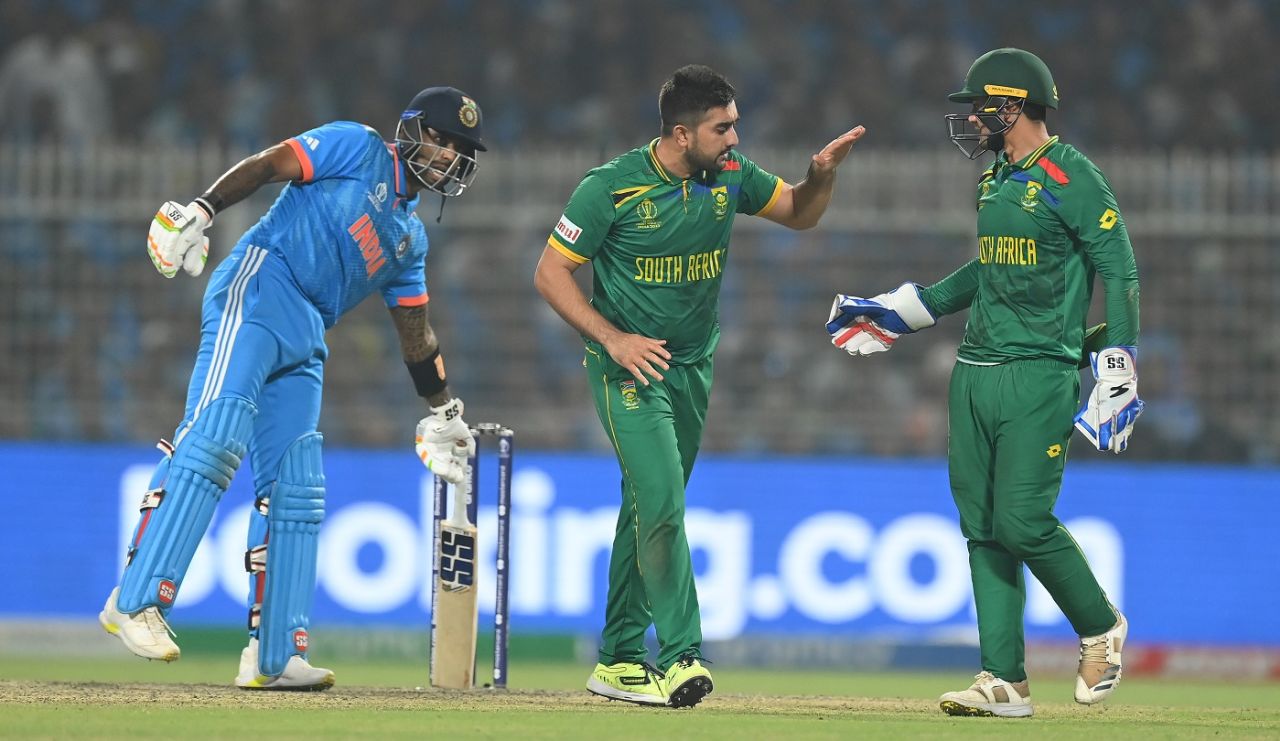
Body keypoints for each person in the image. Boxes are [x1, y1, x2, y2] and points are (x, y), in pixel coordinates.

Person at [98, 86, 487, 690]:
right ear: (412, 130)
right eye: (444, 141)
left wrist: (443, 410)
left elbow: (416, 333)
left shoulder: (410, 240)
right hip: (259, 284)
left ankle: (275, 656)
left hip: (308, 330)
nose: (450, 158)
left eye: (461, 150)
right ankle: (135, 600)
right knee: (214, 437)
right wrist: (202, 210)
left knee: (297, 485)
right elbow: (269, 164)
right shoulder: (357, 147)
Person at [535, 64, 865, 708]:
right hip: (627, 368)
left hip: (691, 367)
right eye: (723, 127)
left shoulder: (731, 176)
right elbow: (550, 272)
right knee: (661, 502)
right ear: (681, 134)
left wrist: (821, 178)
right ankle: (683, 654)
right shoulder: (610, 188)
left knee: (644, 506)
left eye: (735, 124)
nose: (735, 137)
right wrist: (613, 339)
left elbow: (799, 213)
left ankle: (619, 659)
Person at [826, 48, 1142, 718]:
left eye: (980, 106)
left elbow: (1120, 270)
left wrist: (1117, 359)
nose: (971, 118)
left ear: (1014, 105)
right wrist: (905, 309)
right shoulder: (995, 178)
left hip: (1039, 372)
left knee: (1022, 519)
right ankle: (1004, 680)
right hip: (975, 372)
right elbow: (986, 271)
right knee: (983, 528)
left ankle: (1100, 626)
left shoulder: (1072, 176)